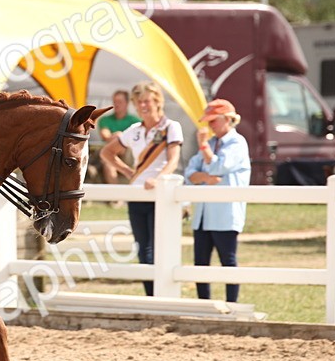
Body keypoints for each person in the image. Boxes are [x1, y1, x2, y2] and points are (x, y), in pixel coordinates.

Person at [99, 81, 183, 295]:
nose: (143, 106)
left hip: (160, 195)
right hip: (136, 194)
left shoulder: (170, 127)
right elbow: (106, 153)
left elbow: (173, 160)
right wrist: (129, 172)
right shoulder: (134, 131)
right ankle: (151, 296)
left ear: (157, 102)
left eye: (147, 101)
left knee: (159, 249)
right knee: (142, 249)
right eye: (139, 102)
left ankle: (162, 295)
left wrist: (159, 179)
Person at [183, 98, 251, 303]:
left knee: (228, 262)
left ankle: (232, 304)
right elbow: (190, 172)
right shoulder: (212, 144)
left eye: (214, 120)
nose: (210, 125)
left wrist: (204, 151)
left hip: (225, 214)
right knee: (200, 264)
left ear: (228, 119)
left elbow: (218, 167)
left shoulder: (238, 143)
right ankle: (204, 304)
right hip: (204, 214)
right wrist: (205, 177)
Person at [96, 90, 140, 184]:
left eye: (119, 102)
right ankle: (117, 198)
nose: (116, 104)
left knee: (109, 157)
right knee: (108, 162)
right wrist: (120, 138)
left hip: (128, 155)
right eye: (114, 101)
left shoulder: (136, 121)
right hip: (111, 154)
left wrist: (119, 138)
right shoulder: (104, 119)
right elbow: (105, 135)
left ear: (127, 103)